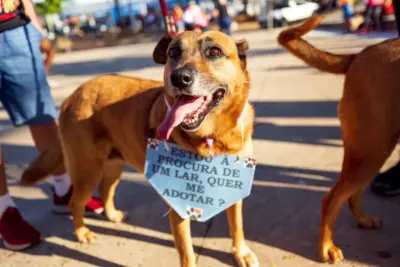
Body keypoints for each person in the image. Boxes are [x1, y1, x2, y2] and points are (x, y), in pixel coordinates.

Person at [0, 0, 103, 250]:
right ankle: (3, 210)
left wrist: (35, 26)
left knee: (42, 115)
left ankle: (63, 187)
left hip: (14, 26)